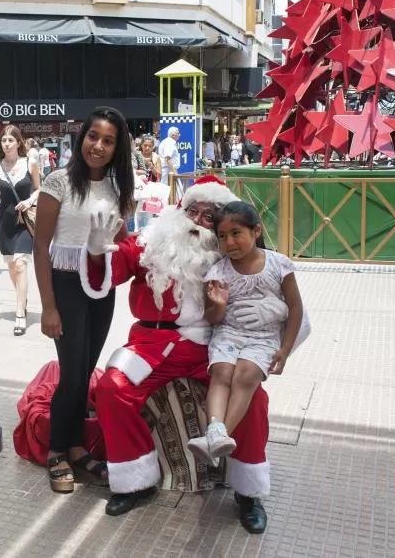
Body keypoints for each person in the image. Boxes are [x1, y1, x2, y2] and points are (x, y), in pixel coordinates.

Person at [80, 176, 275, 533]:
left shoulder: (234, 257)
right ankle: (135, 480)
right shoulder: (153, 241)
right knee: (112, 388)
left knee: (255, 399)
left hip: (212, 347)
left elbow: (276, 299)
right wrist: (97, 250)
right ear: (178, 210)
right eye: (192, 210)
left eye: (208, 215)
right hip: (151, 345)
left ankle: (249, 493)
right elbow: (117, 266)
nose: (197, 220)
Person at [33, 107, 135, 493]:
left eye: (108, 140)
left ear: (116, 148)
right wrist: (48, 305)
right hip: (66, 284)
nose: (98, 146)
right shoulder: (58, 182)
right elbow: (41, 247)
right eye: (93, 136)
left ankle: (76, 446)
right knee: (72, 375)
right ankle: (56, 451)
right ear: (82, 138)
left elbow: (124, 241)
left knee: (86, 368)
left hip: (102, 287)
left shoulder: (117, 187)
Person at [186, 202, 303, 464]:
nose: (229, 242)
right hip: (228, 334)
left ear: (256, 231)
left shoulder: (279, 265)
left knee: (246, 374)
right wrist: (218, 304)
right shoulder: (217, 271)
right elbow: (213, 318)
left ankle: (216, 437)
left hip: (263, 339)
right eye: (222, 236)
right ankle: (216, 432)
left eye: (236, 233)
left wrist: (285, 350)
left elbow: (296, 308)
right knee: (222, 372)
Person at [0, 125, 40, 335]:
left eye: (10, 140)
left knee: (20, 263)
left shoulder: (30, 162)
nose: (6, 144)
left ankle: (20, 314)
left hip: (23, 221)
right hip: (4, 222)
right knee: (12, 268)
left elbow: (39, 189)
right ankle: (22, 298)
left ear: (18, 142)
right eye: (3, 140)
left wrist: (29, 200)